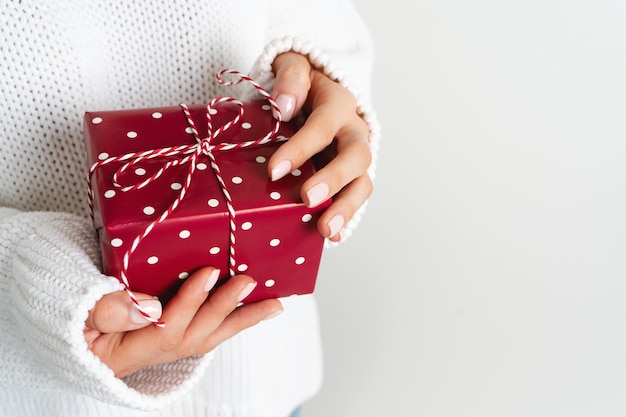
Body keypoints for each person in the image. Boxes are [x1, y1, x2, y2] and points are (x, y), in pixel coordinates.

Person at [0, 1, 380, 416]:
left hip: (264, 385)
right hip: (45, 398)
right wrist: (30, 282)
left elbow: (320, 24)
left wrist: (316, 85)